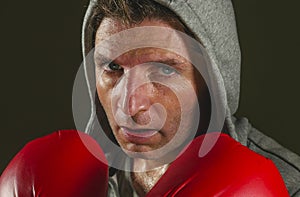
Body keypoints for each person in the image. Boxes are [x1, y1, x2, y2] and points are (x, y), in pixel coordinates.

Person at [0, 0, 299, 196]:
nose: (130, 106)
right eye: (113, 68)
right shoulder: (58, 181)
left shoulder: (290, 188)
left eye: (163, 70)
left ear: (213, 80)